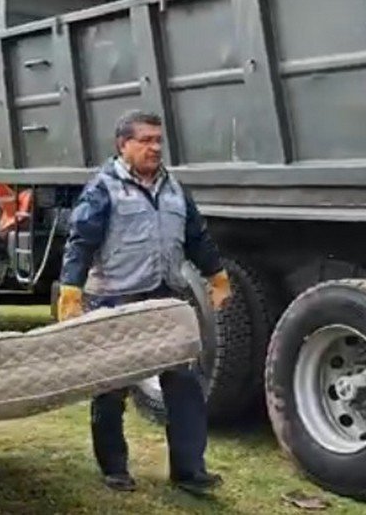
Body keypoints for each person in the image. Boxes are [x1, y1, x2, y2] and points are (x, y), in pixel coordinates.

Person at [56, 109, 231, 495]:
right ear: (123, 145)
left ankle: (189, 471)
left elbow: (197, 236)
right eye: (146, 140)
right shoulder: (104, 187)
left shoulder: (174, 189)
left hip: (164, 298)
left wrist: (216, 275)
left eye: (158, 140)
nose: (155, 147)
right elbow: (81, 240)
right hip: (114, 299)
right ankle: (114, 468)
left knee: (183, 383)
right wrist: (70, 289)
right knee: (111, 388)